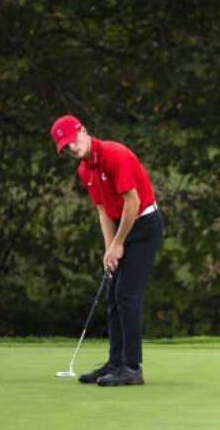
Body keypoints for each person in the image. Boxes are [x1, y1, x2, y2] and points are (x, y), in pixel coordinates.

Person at [51, 114, 164, 386]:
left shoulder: (116, 155)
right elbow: (103, 211)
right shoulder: (84, 170)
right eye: (66, 147)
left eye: (73, 141)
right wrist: (109, 249)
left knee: (127, 295)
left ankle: (132, 368)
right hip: (122, 229)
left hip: (144, 224)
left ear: (83, 130)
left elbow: (132, 202)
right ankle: (116, 362)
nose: (72, 148)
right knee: (113, 296)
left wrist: (119, 243)